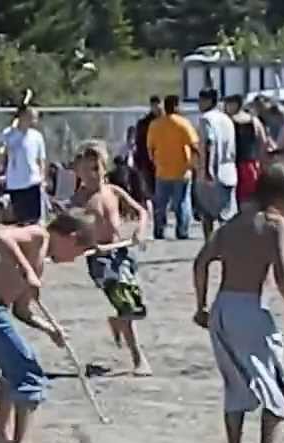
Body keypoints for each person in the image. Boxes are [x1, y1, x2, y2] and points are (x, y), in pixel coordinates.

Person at [0, 209, 99, 443]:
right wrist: (27, 271)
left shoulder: (40, 260)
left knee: (14, 367)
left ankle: (1, 433)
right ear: (71, 237)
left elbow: (22, 310)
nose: (72, 261)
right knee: (28, 371)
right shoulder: (38, 236)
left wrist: (49, 329)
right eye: (77, 254)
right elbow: (1, 237)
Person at [192, 163, 284, 443]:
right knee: (276, 380)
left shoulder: (231, 225)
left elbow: (201, 263)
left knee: (236, 386)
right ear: (282, 199)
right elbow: (282, 275)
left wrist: (201, 306)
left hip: (222, 309)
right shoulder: (275, 225)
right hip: (250, 309)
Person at [72, 141, 153, 375]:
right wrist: (88, 244)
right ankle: (139, 359)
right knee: (125, 303)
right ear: (78, 172)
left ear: (104, 167)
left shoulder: (113, 191)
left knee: (136, 305)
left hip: (122, 253)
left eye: (96, 168)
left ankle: (118, 321)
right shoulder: (79, 200)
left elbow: (141, 211)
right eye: (86, 170)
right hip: (100, 260)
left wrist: (140, 230)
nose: (92, 175)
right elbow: (70, 231)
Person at [147, 95, 199, 240]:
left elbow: (150, 148)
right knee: (182, 202)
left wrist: (155, 162)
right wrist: (194, 164)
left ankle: (159, 230)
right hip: (182, 170)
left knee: (161, 203)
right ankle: (182, 230)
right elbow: (194, 145)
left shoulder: (155, 125)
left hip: (162, 170)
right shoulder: (183, 123)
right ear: (176, 106)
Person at [195, 88, 238, 240]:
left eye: (201, 100)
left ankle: (210, 245)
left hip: (213, 171)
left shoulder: (206, 119)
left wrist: (207, 169)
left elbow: (210, 142)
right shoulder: (227, 119)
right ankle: (227, 245)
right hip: (229, 171)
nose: (199, 104)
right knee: (226, 215)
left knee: (207, 214)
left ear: (209, 101)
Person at [0, 104, 48, 225]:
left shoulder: (37, 136)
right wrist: (2, 172)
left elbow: (41, 159)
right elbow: (1, 154)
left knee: (35, 219)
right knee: (21, 219)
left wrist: (42, 178)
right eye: (31, 116)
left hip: (33, 181)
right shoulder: (8, 134)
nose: (34, 120)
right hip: (16, 183)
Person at [224, 94, 269, 205]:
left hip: (233, 165)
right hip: (250, 164)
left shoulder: (228, 121)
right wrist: (261, 163)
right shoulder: (254, 121)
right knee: (249, 199)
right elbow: (263, 142)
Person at [132, 95, 163, 208]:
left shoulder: (166, 120)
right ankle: (156, 210)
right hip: (148, 161)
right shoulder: (144, 123)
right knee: (152, 189)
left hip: (164, 159)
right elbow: (139, 142)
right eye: (154, 105)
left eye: (158, 104)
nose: (157, 107)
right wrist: (139, 161)